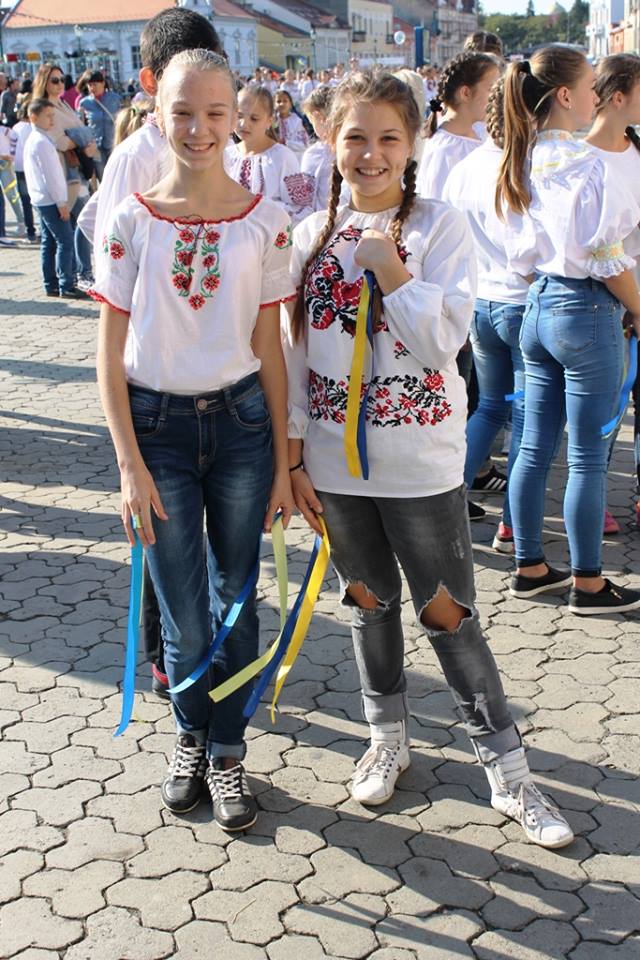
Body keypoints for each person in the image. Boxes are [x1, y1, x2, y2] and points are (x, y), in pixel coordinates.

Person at [284, 69, 573, 849]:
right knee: (365, 604)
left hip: (420, 465)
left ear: (412, 144)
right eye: (355, 137)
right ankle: (388, 739)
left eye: (388, 137)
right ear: (331, 140)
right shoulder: (309, 237)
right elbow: (294, 353)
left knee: (448, 613)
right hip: (335, 468)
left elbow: (443, 342)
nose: (371, 153)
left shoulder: (441, 227)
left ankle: (508, 772)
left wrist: (392, 269)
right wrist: (293, 457)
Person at [93, 48, 295, 830]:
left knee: (237, 598)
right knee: (183, 611)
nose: (200, 129)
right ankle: (189, 736)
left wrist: (284, 460)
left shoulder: (266, 220)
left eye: (216, 112)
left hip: (242, 429)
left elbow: (270, 345)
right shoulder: (130, 220)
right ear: (158, 112)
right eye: (184, 112)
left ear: (238, 117)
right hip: (157, 433)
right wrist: (127, 465)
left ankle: (229, 751)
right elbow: (109, 351)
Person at [91, 6, 225, 699]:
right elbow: (109, 274)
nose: (198, 121)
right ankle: (164, 658)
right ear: (152, 83)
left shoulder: (220, 147)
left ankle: (210, 655)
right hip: (154, 385)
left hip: (220, 385)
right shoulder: (134, 158)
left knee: (212, 546)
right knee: (162, 534)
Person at [499, 47, 640, 615]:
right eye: (587, 88)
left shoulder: (524, 155)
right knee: (587, 456)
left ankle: (529, 565)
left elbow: (520, 255)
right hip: (586, 310)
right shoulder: (587, 164)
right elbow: (607, 259)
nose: (593, 97)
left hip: (540, 304)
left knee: (534, 447)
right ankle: (588, 582)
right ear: (565, 95)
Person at [585, 53, 640, 533]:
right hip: (607, 301)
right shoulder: (580, 157)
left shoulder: (636, 150)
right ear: (618, 97)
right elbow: (596, 247)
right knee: (606, 410)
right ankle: (594, 499)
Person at [31, 62, 96, 287]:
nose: (60, 84)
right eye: (54, 80)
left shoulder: (63, 104)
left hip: (74, 169)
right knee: (82, 223)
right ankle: (79, 274)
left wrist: (79, 138)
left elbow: (75, 134)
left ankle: (58, 280)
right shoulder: (45, 108)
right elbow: (60, 141)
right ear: (44, 82)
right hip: (65, 175)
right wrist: (82, 139)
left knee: (56, 235)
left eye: (62, 79)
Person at [23, 98, 86, 299]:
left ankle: (51, 283)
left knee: (49, 242)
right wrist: (61, 203)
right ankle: (66, 284)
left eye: (53, 116)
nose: (52, 120)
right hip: (51, 200)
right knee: (65, 240)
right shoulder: (41, 142)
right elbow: (52, 176)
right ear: (34, 117)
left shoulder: (36, 139)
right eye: (48, 116)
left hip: (42, 199)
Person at [417, 51, 500, 200]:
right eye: (491, 89)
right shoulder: (445, 151)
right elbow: (437, 206)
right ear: (466, 93)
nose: (496, 96)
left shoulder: (479, 135)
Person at [225, 86, 311, 223]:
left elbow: (301, 209)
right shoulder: (227, 155)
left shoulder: (282, 157)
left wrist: (261, 210)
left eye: (254, 118)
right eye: (239, 116)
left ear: (269, 121)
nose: (244, 124)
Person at [78, 71, 121, 180]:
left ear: (103, 83)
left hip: (113, 143)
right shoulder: (84, 103)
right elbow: (81, 124)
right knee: (103, 178)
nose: (92, 88)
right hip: (96, 146)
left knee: (116, 176)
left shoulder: (115, 99)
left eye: (95, 84)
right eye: (90, 85)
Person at [300, 85, 334, 213]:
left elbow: (306, 197)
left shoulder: (314, 153)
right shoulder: (356, 145)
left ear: (318, 117)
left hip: (323, 218)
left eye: (312, 122)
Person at [10, 104, 37, 243]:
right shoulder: (34, 128)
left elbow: (12, 149)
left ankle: (30, 232)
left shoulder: (15, 128)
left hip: (19, 167)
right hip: (33, 167)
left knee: (25, 201)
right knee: (37, 199)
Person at [274, 89, 308, 155]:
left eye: (285, 101)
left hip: (293, 156)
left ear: (290, 104)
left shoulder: (297, 121)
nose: (282, 104)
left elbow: (304, 145)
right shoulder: (272, 121)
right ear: (274, 104)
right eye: (278, 101)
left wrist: (286, 142)